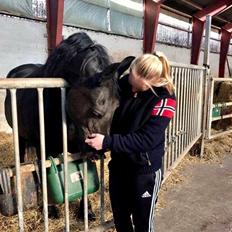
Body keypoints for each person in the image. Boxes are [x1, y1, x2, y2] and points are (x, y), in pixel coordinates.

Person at [85, 52, 176, 232]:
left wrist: (107, 142)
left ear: (147, 81)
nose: (129, 80)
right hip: (119, 167)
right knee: (121, 220)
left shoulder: (165, 100)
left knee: (143, 223)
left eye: (134, 77)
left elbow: (147, 139)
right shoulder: (126, 84)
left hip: (144, 172)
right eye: (131, 72)